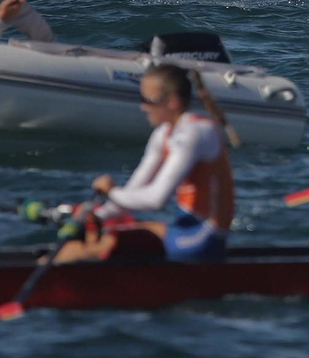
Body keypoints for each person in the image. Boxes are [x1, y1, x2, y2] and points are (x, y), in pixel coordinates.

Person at [53, 63, 234, 264]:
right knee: (100, 234)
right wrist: (95, 216)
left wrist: (111, 191)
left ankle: (53, 276)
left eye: (148, 100)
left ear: (172, 102)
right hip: (182, 230)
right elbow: (131, 194)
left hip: (204, 239)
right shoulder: (162, 134)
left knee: (108, 240)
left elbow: (156, 199)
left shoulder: (196, 132)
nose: (143, 106)